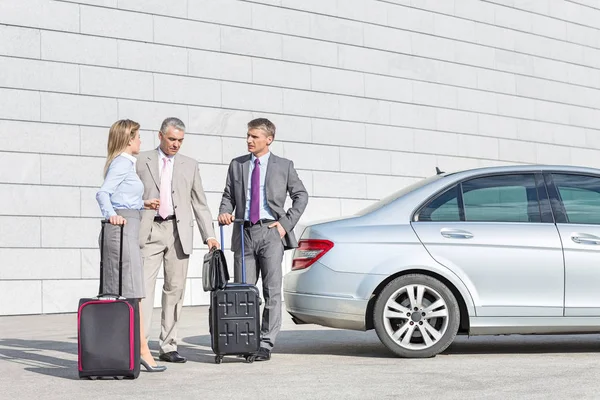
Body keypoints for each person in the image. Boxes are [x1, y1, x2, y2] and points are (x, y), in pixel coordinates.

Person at [218, 118, 308, 361]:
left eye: (254, 136)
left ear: (269, 139)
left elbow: (301, 196)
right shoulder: (237, 165)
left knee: (271, 291)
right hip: (243, 232)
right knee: (243, 291)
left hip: (270, 233)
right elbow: (228, 195)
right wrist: (225, 210)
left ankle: (265, 343)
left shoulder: (284, 165)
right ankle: (245, 339)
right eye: (248, 135)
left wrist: (285, 224)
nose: (249, 140)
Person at [137, 117, 219, 364]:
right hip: (149, 230)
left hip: (178, 231)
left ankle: (168, 345)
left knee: (175, 290)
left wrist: (210, 235)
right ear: (160, 135)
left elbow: (199, 202)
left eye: (180, 141)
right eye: (172, 139)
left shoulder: (190, 165)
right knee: (143, 290)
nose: (176, 144)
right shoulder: (140, 160)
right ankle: (139, 344)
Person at [95, 119, 166, 373]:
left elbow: (121, 195)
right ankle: (140, 350)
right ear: (127, 139)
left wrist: (144, 203)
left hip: (131, 225)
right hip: (122, 230)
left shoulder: (126, 164)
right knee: (130, 292)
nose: (140, 141)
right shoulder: (121, 163)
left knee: (132, 291)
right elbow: (103, 194)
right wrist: (111, 214)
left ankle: (135, 350)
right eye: (137, 136)